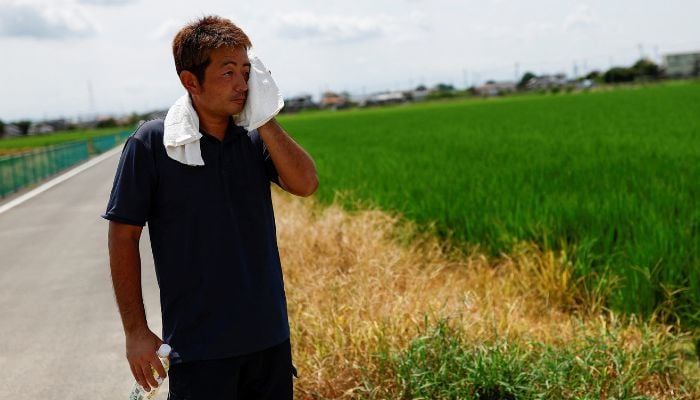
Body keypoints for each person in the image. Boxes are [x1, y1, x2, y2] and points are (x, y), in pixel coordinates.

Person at [102, 15, 318, 399]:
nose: (242, 84)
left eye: (247, 71)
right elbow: (123, 236)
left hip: (268, 340)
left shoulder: (253, 138)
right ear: (191, 81)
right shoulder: (154, 144)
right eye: (228, 72)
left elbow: (305, 184)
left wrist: (265, 118)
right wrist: (136, 330)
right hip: (198, 348)